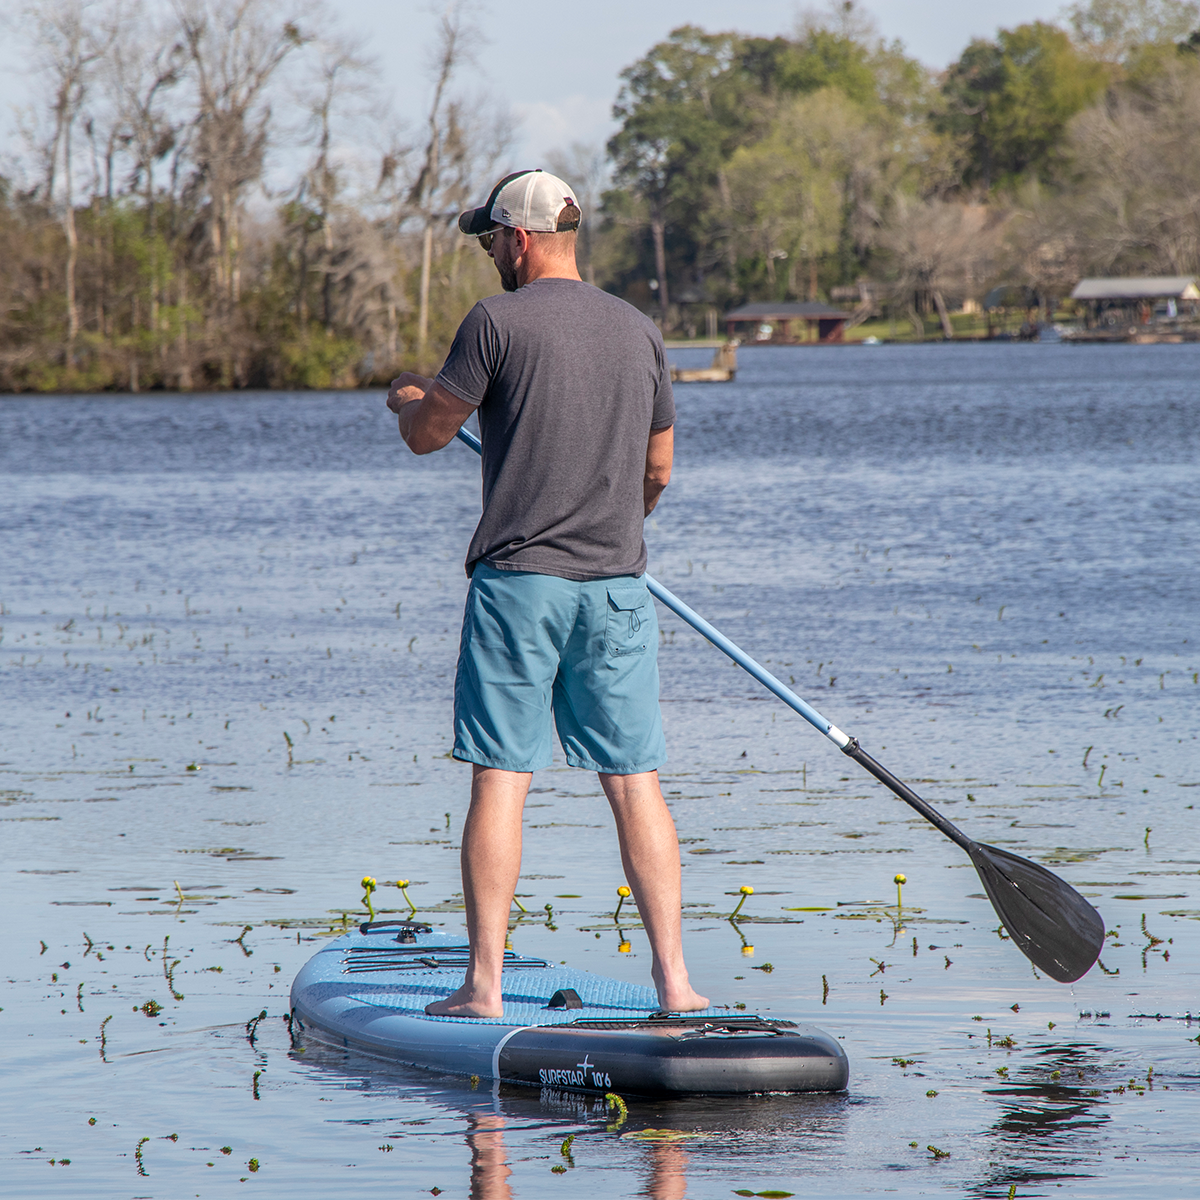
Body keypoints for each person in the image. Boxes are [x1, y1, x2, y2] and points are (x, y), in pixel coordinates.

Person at [386, 169, 707, 1018]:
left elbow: (430, 436)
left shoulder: (494, 321)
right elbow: (659, 469)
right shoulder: (640, 331)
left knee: (501, 776)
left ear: (520, 239)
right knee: (636, 781)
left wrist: (406, 398)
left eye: (491, 237)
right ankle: (676, 983)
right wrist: (611, 522)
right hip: (616, 588)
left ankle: (484, 988)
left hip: (520, 586)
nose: (489, 251)